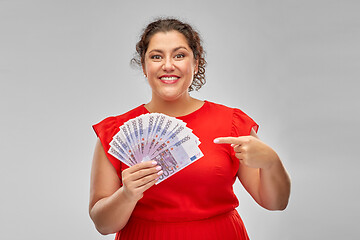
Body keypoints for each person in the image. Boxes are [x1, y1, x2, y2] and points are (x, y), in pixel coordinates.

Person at [89, 18, 291, 240]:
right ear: (144, 66)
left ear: (195, 63)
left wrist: (272, 162)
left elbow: (276, 203)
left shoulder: (232, 124)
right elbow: (103, 225)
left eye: (179, 55)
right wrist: (127, 195)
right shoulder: (116, 132)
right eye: (156, 56)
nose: (168, 65)